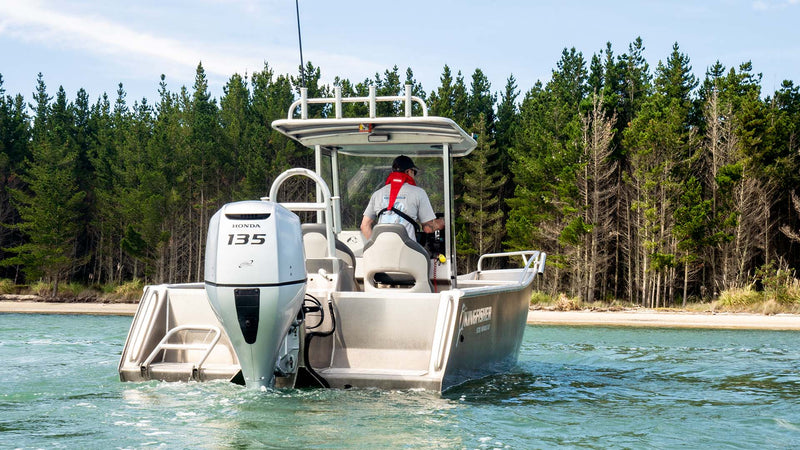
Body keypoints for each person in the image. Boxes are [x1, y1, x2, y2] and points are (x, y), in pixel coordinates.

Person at [361, 155, 444, 241]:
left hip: (381, 250)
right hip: (406, 251)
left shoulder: (377, 194)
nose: (414, 175)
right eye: (414, 172)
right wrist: (442, 222)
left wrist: (375, 245)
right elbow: (428, 228)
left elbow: (364, 226)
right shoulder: (418, 192)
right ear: (408, 172)